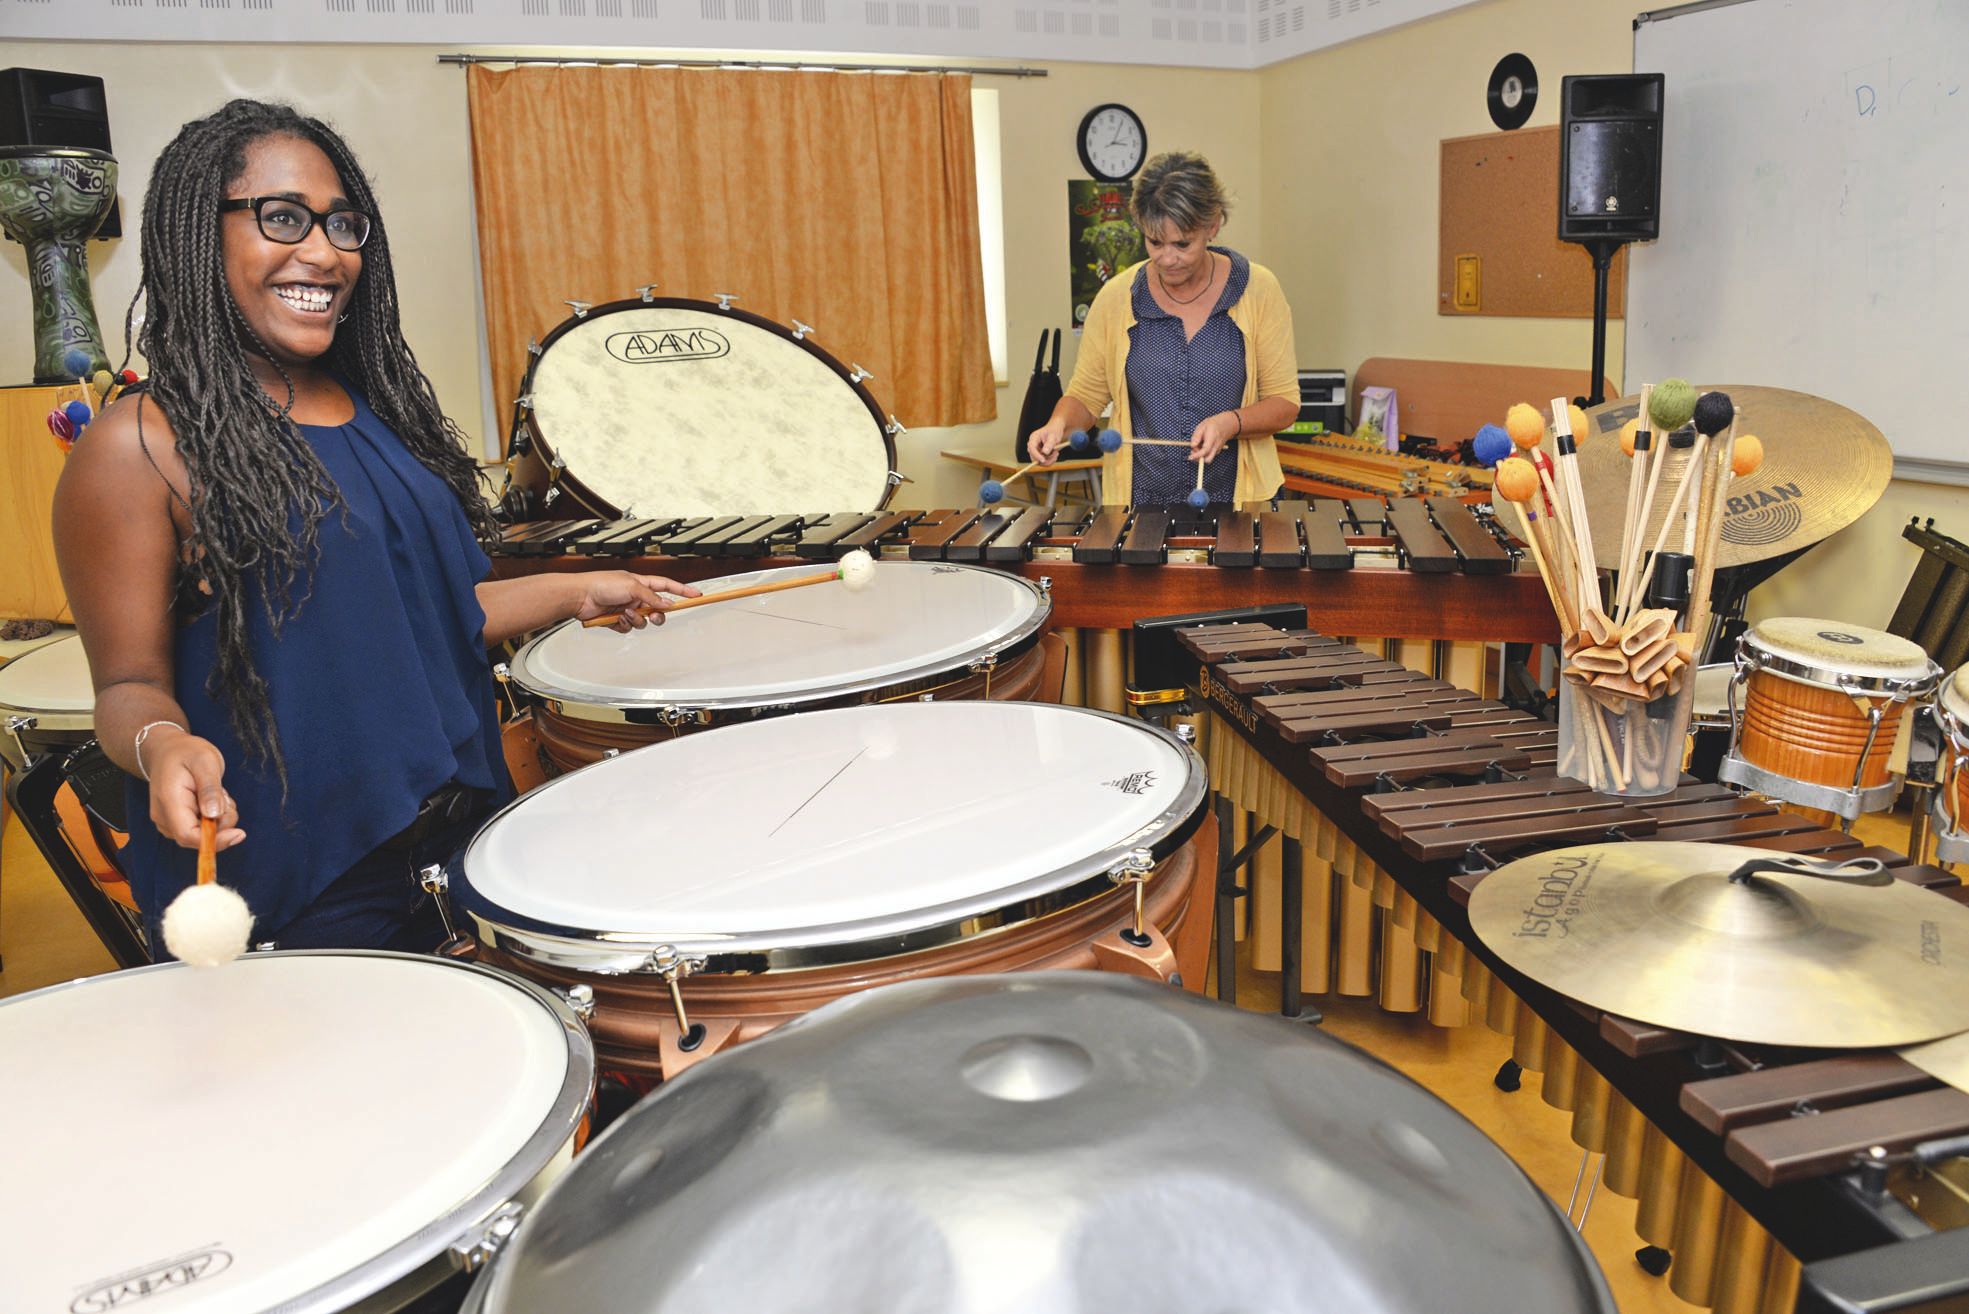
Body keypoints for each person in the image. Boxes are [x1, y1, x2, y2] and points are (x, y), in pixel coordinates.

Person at [52, 99, 698, 955]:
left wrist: (579, 589)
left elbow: (433, 617)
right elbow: (125, 685)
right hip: (292, 872)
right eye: (281, 217)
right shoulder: (136, 445)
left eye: (341, 224)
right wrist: (163, 745)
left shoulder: (376, 412)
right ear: (195, 236)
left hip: (453, 835)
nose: (322, 251)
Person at [1029, 151, 1300, 506]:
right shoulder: (1117, 298)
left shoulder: (1257, 290)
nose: (1167, 259)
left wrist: (1230, 423)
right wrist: (1057, 426)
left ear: (1213, 225)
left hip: (1240, 503)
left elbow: (1285, 404)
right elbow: (1086, 395)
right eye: (1154, 242)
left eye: (1182, 244)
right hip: (1141, 503)